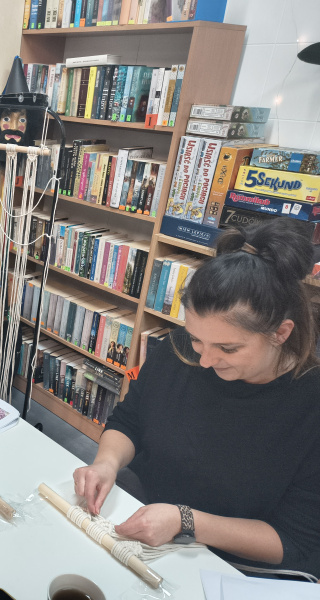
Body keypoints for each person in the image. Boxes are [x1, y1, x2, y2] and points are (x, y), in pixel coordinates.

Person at [74, 218, 320, 579]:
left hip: (232, 567)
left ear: (280, 333)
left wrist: (185, 520)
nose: (205, 361)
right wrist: (106, 464)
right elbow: (129, 420)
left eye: (228, 348)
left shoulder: (309, 405)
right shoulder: (178, 349)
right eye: (196, 339)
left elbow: (296, 541)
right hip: (144, 520)